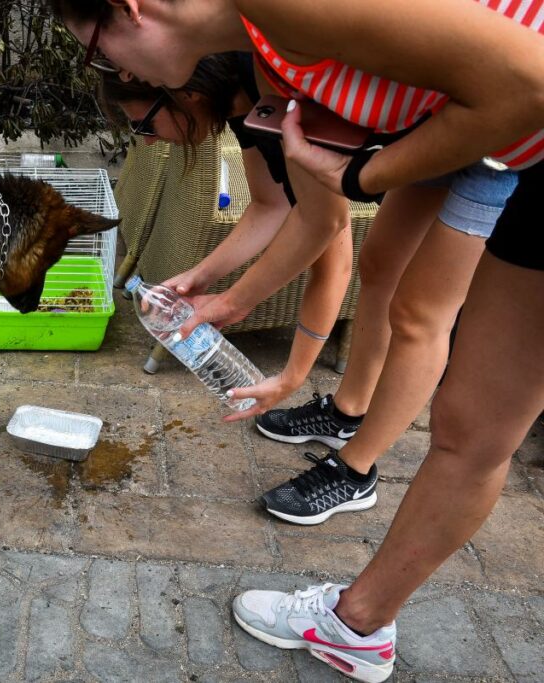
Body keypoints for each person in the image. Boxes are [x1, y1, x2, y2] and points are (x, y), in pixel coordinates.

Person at [50, 1, 544, 680]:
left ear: (132, 7)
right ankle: (358, 622)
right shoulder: (264, 50)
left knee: (461, 400)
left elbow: (530, 83)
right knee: (470, 424)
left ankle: (356, 482)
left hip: (510, 141)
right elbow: (312, 221)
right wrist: (227, 303)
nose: (112, 69)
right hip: (506, 141)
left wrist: (361, 176)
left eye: (98, 50)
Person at [100, 55, 353, 421]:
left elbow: (329, 232)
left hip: (434, 158)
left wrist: (289, 373)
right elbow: (270, 204)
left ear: (184, 93)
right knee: (382, 279)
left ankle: (355, 450)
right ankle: (348, 418)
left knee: (406, 309)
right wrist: (199, 276)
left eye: (145, 125)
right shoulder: (242, 102)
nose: (150, 142)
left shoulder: (272, 85)